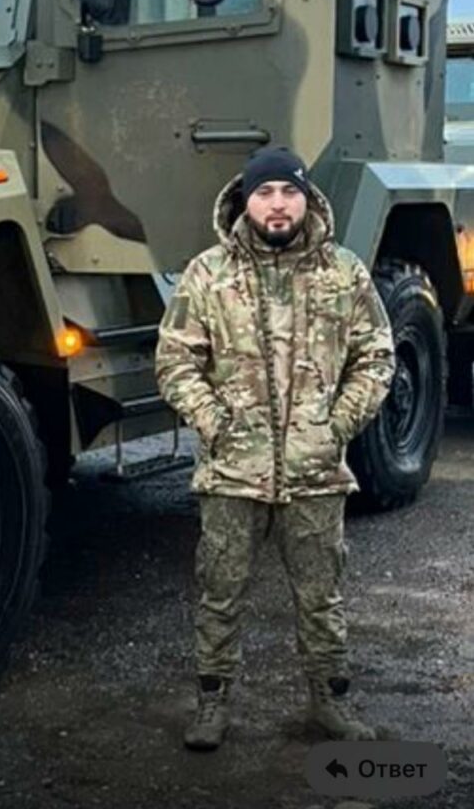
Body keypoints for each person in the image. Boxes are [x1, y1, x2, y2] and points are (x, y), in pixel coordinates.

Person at [155, 146, 396, 751]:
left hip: (316, 473)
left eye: (289, 192)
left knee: (322, 598)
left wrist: (336, 426)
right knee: (220, 594)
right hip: (232, 473)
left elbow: (376, 356)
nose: (278, 205)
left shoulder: (343, 273)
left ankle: (329, 702)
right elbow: (175, 360)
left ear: (307, 199)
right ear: (247, 201)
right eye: (265, 193)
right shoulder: (209, 274)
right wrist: (216, 424)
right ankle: (212, 703)